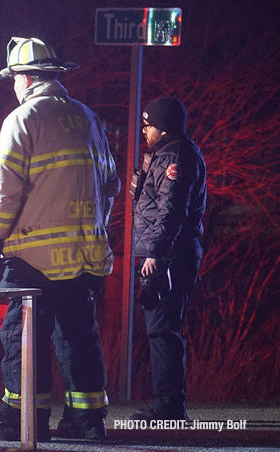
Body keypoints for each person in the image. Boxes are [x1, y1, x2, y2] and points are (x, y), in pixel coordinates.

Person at [0, 37, 120, 441]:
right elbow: (109, 186)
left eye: (12, 79)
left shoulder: (23, 120)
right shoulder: (87, 118)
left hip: (31, 257)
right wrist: (94, 232)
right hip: (83, 256)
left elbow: (5, 189)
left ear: (23, 78)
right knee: (78, 337)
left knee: (22, 339)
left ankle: (23, 421)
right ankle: (87, 421)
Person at [130, 97, 206, 421]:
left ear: (163, 129)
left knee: (162, 330)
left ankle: (169, 407)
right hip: (170, 252)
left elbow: (172, 211)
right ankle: (168, 403)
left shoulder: (175, 156)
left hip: (170, 256)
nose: (143, 130)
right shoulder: (165, 154)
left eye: (148, 125)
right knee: (162, 329)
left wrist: (155, 255)